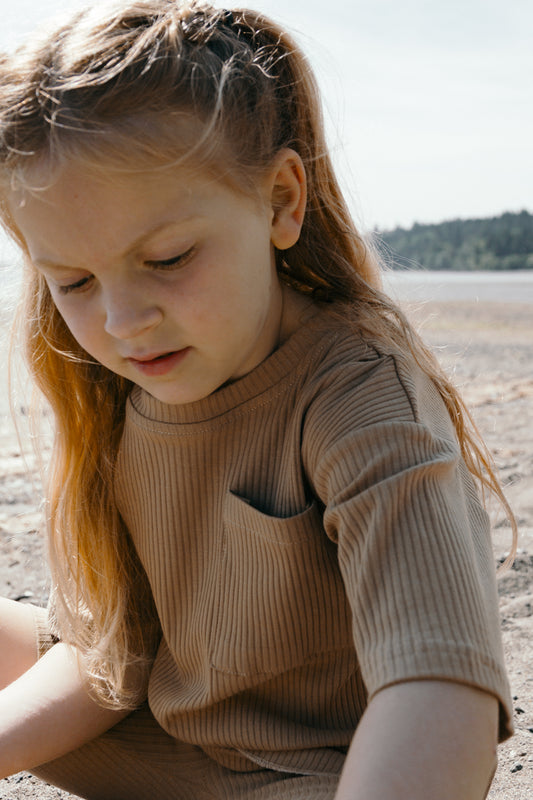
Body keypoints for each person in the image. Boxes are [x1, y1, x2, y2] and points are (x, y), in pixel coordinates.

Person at [0, 2, 516, 798]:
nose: (122, 320)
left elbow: (439, 687)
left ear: (280, 200)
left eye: (167, 257)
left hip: (324, 775)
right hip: (172, 748)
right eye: (72, 281)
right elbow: (111, 661)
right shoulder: (119, 387)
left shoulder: (356, 392)